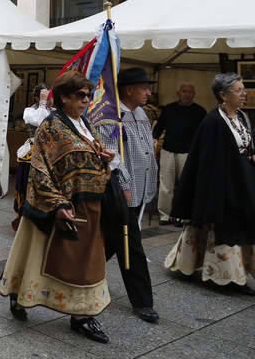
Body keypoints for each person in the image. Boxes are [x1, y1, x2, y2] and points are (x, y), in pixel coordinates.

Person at [0, 70, 116, 344]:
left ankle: (82, 316)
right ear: (64, 97)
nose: (86, 100)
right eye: (80, 95)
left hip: (89, 204)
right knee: (34, 255)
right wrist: (58, 204)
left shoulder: (85, 123)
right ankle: (18, 296)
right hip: (54, 206)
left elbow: (90, 156)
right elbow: (39, 169)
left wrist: (106, 158)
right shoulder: (51, 127)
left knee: (84, 262)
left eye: (88, 95)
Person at [165, 73, 255, 294]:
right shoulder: (213, 121)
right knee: (224, 229)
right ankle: (226, 277)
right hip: (222, 185)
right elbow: (206, 161)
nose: (244, 94)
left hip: (243, 182)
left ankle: (236, 272)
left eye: (244, 89)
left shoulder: (242, 117)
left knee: (241, 226)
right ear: (223, 95)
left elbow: (246, 144)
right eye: (239, 90)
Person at [96, 67, 159, 324]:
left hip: (141, 190)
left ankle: (78, 274)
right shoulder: (112, 118)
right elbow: (111, 157)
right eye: (144, 87)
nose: (148, 92)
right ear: (129, 90)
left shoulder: (141, 113)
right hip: (121, 193)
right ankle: (143, 301)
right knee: (131, 245)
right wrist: (124, 182)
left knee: (110, 243)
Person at [152, 83, 206, 225]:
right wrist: (154, 139)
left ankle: (183, 215)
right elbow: (158, 128)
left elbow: (204, 134)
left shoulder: (200, 111)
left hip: (188, 153)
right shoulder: (169, 109)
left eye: (190, 92)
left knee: (186, 185)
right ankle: (165, 215)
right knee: (165, 185)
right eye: (184, 91)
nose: (187, 94)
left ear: (194, 94)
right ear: (178, 93)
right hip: (168, 150)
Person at [13, 84, 52, 229]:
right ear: (37, 97)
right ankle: (25, 216)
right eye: (44, 96)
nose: (48, 100)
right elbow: (39, 122)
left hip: (49, 153)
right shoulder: (29, 111)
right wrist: (42, 103)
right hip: (32, 151)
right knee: (27, 185)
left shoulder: (54, 111)